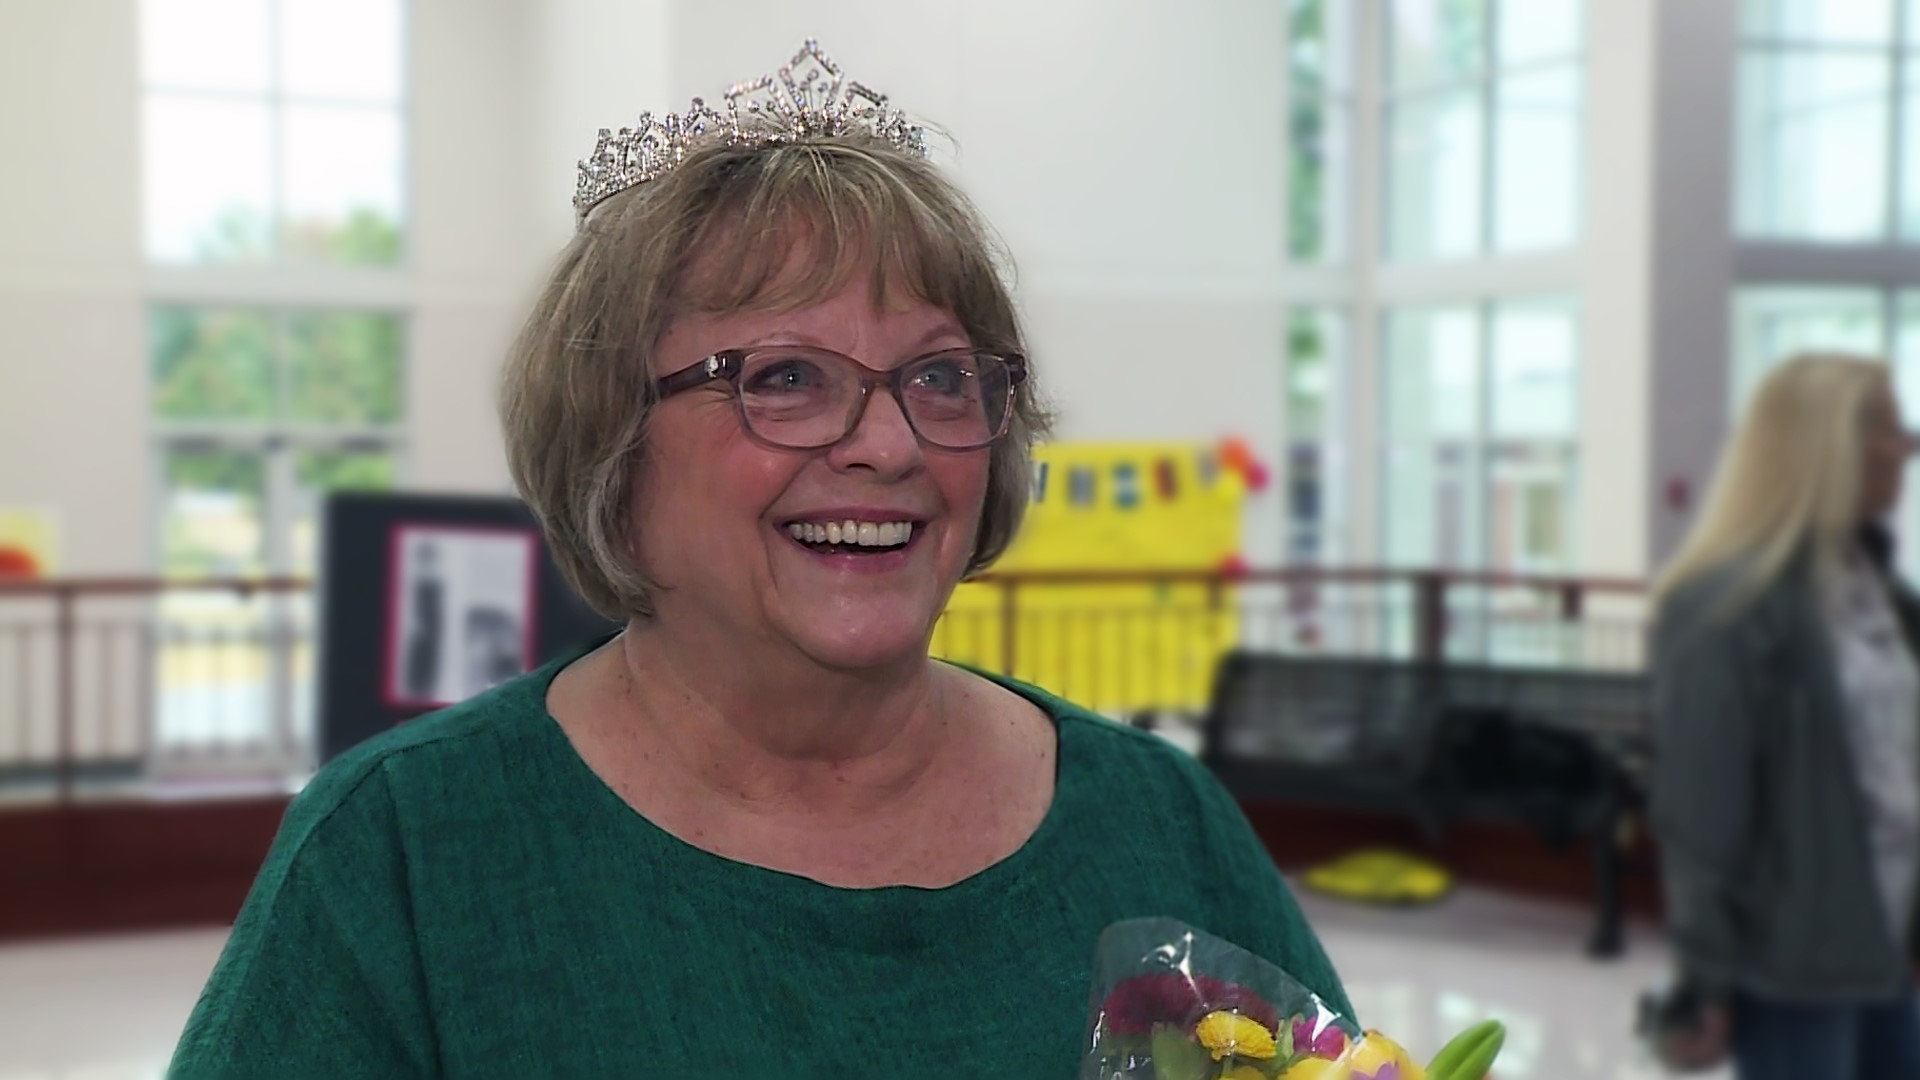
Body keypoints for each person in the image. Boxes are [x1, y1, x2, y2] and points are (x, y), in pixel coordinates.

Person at [167, 41, 1348, 1076]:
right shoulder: (406, 849)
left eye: (940, 376)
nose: (887, 444)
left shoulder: (1162, 823)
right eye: (784, 378)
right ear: (611, 436)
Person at [1650, 354, 1920, 1077]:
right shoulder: (1726, 608)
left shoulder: (1878, 588)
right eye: (1891, 431)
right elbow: (1703, 813)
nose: (1909, 448)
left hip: (1887, 948)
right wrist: (1704, 979)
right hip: (1792, 963)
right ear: (1829, 446)